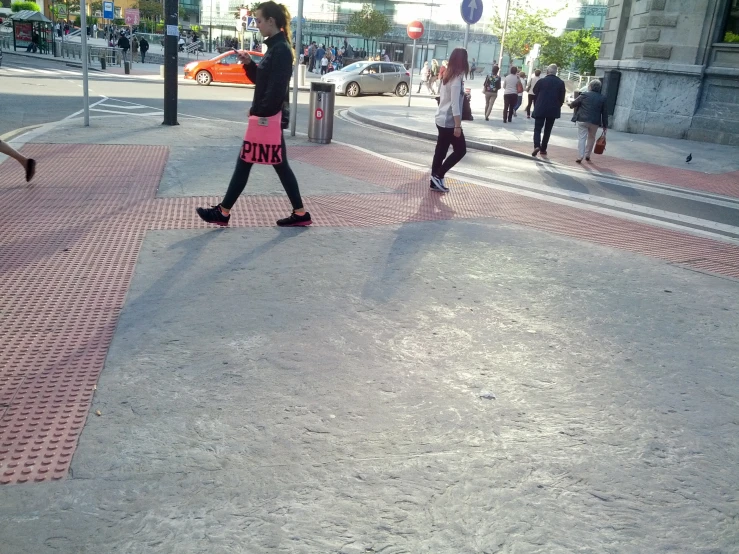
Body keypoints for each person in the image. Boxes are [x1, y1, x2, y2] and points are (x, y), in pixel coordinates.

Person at [196, 1, 311, 228]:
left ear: (271, 21)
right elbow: (263, 81)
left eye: (258, 20)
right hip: (269, 119)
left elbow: (276, 90)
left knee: (247, 161)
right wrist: (249, 64)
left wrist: (256, 112)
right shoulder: (276, 48)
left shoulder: (281, 51)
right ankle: (299, 213)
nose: (256, 24)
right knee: (275, 164)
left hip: (267, 119)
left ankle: (224, 211)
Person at [429, 48, 469, 194]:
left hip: (441, 118)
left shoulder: (447, 75)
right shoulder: (456, 78)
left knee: (441, 150)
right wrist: (457, 125)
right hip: (449, 121)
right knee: (461, 150)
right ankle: (439, 174)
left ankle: (434, 180)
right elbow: (454, 104)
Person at [531, 64, 566, 157]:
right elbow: (562, 98)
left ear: (547, 71)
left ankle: (536, 146)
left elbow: (534, 91)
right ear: (556, 72)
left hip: (540, 107)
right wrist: (559, 104)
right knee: (548, 130)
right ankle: (543, 149)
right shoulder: (561, 83)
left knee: (537, 128)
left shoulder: (541, 81)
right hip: (553, 109)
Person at [569, 79, 608, 163]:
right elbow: (604, 113)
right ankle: (587, 155)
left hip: (582, 119)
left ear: (590, 86)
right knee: (591, 137)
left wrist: (571, 105)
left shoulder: (584, 95)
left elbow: (574, 104)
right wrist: (605, 125)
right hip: (595, 122)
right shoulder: (603, 98)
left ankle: (580, 156)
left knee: (582, 138)